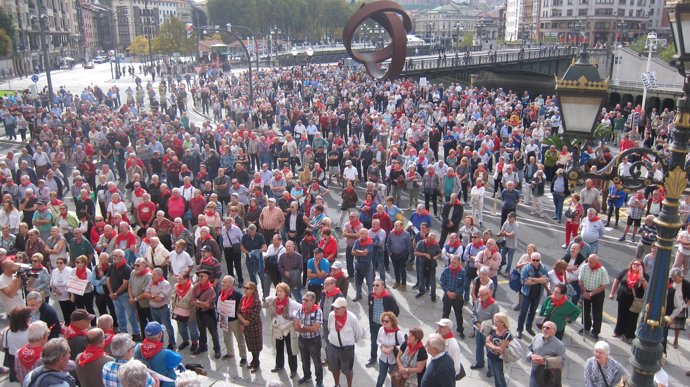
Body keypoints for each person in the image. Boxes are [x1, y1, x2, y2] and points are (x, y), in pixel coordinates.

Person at [327, 297, 365, 387]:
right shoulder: (331, 315)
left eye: (337, 308)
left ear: (344, 308)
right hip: (333, 347)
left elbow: (358, 333)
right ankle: (337, 384)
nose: (335, 309)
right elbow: (329, 328)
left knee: (347, 371)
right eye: (334, 307)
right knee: (334, 369)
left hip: (346, 349)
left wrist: (349, 342)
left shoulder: (352, 318)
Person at [265, 282, 300, 377]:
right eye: (277, 291)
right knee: (278, 348)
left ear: (286, 293)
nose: (278, 293)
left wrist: (295, 318)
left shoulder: (291, 303)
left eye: (281, 291)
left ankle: (293, 370)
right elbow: (265, 301)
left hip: (288, 329)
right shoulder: (273, 301)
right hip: (278, 328)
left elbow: (301, 309)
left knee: (290, 349)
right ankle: (279, 365)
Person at [609, 259, 649, 341]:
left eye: (638, 265)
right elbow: (617, 281)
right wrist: (612, 293)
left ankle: (629, 335)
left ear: (641, 267)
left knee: (632, 318)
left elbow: (647, 288)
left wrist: (642, 278)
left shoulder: (644, 276)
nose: (635, 265)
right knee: (621, 316)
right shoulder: (625, 271)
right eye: (634, 264)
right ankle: (618, 332)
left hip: (635, 301)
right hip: (623, 298)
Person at [134, 321, 182, 387]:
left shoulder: (138, 347)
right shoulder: (166, 353)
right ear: (160, 335)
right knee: (173, 368)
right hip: (162, 383)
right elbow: (179, 359)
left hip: (145, 381)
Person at [107, 249, 141, 340]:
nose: (113, 257)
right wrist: (111, 293)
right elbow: (108, 280)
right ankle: (123, 331)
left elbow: (125, 283)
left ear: (122, 257)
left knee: (131, 315)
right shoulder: (111, 266)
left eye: (116, 255)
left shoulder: (127, 268)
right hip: (114, 295)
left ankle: (136, 332)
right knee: (119, 315)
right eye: (113, 255)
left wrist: (116, 293)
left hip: (124, 295)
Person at [366, 279, 400, 367]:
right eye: (374, 285)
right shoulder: (371, 296)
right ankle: (373, 357)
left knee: (388, 344)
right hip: (374, 324)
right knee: (373, 342)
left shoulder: (388, 298)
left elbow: (396, 311)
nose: (374, 287)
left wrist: (390, 323)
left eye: (377, 285)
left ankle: (391, 362)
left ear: (383, 287)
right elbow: (370, 309)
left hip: (385, 327)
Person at [294, 291, 324, 387]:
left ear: (313, 301)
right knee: (304, 360)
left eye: (306, 300)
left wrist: (302, 326)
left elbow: (315, 329)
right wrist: (306, 328)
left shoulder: (318, 311)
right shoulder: (300, 310)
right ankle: (307, 376)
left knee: (316, 361)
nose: (304, 302)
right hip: (302, 339)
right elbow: (295, 326)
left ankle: (319, 380)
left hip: (314, 341)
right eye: (303, 299)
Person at [516, 252, 548, 339]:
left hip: (537, 294)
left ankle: (528, 327)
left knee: (532, 312)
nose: (535, 262)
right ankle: (519, 330)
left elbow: (545, 280)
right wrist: (540, 280)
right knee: (523, 312)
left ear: (539, 260)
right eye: (533, 260)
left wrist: (533, 279)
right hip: (527, 293)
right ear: (531, 260)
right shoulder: (526, 268)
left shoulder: (544, 268)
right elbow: (526, 282)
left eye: (537, 260)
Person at [578, 254, 610, 340]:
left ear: (596, 262)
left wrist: (591, 294)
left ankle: (595, 331)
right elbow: (580, 281)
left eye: (591, 262)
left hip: (597, 293)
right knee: (585, 310)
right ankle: (586, 327)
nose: (589, 263)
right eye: (588, 260)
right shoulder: (584, 267)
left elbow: (603, 286)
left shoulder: (602, 270)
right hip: (586, 290)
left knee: (597, 312)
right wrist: (584, 292)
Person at [191, 268, 221, 358]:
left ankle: (217, 349)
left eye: (202, 276)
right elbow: (192, 301)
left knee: (213, 332)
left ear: (207, 277)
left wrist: (198, 302)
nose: (199, 278)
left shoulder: (211, 290)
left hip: (209, 313)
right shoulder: (196, 287)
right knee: (201, 331)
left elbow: (208, 305)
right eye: (199, 276)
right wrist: (201, 304)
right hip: (199, 312)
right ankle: (203, 346)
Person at [143, 267, 175, 349]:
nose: (151, 276)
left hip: (163, 309)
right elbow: (145, 294)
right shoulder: (151, 281)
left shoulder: (166, 284)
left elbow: (160, 299)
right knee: (157, 327)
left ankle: (172, 342)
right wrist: (153, 296)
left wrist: (150, 296)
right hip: (153, 308)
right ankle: (160, 343)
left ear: (160, 275)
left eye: (153, 275)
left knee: (167, 326)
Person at [527, 321, 566, 387]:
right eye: (543, 327)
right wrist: (531, 355)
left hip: (548, 374)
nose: (544, 329)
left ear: (554, 331)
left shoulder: (559, 345)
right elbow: (530, 349)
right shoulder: (537, 337)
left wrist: (545, 361)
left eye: (547, 328)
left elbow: (562, 362)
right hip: (535, 370)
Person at [218, 275, 247, 364]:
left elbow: (242, 309)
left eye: (225, 282)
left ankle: (243, 357)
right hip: (224, 319)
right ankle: (230, 353)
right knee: (226, 338)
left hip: (235, 321)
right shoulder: (221, 292)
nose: (222, 283)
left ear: (231, 284)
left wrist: (242, 322)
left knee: (239, 339)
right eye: (223, 281)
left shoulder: (238, 295)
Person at [470, 285, 499, 370]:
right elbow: (474, 313)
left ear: (488, 294)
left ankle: (491, 368)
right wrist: (477, 323)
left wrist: (489, 331)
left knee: (489, 350)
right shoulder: (478, 301)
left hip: (489, 333)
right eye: (480, 294)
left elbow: (495, 321)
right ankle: (479, 362)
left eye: (483, 295)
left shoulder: (494, 305)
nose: (480, 296)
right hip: (479, 330)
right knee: (478, 347)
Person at [171, 271, 200, 352]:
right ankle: (185, 341)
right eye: (178, 278)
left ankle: (195, 342)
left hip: (189, 312)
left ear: (186, 279)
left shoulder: (192, 288)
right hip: (178, 311)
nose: (178, 280)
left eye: (180, 279)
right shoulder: (176, 286)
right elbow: (173, 297)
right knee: (181, 328)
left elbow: (195, 300)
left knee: (192, 328)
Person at [375, 311, 405, 387]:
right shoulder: (381, 329)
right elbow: (378, 341)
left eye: (386, 321)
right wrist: (382, 347)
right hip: (383, 358)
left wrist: (392, 348)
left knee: (393, 379)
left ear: (392, 322)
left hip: (393, 360)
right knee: (381, 377)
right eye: (383, 321)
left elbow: (404, 346)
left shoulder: (398, 333)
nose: (384, 323)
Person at [238, 281, 263, 372]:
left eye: (247, 288)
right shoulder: (243, 299)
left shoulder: (256, 301)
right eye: (244, 287)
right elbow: (238, 312)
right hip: (246, 326)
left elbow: (254, 315)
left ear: (253, 290)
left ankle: (256, 362)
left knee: (256, 345)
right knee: (250, 345)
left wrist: (245, 322)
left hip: (254, 326)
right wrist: (243, 321)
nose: (245, 289)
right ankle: (253, 360)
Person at [440, 256, 467, 338]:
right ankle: (443, 330)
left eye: (454, 263)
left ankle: (460, 330)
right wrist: (448, 292)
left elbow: (464, 285)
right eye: (451, 262)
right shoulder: (446, 270)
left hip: (457, 298)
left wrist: (455, 293)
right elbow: (442, 282)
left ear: (459, 263)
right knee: (445, 314)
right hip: (447, 296)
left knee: (458, 315)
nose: (452, 264)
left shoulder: (463, 272)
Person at [3, 306, 31, 382]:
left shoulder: (7, 330)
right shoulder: (31, 331)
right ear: (24, 319)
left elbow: (5, 346)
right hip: (28, 360)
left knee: (20, 379)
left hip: (13, 360)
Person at [665, 267, 690, 350]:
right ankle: (665, 337)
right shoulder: (670, 280)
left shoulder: (686, 284)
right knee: (667, 322)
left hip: (681, 305)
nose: (673, 279)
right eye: (672, 277)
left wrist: (685, 306)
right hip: (671, 304)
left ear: (680, 276)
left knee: (677, 326)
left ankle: (676, 339)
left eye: (675, 278)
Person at [485, 312, 513, 385]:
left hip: (499, 360)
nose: (494, 322)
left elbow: (501, 350)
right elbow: (486, 341)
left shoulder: (507, 334)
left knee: (500, 377)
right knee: (495, 375)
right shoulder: (494, 329)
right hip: (491, 356)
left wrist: (491, 345)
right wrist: (495, 347)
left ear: (502, 322)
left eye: (496, 321)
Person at [415, 232, 442, 302]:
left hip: (432, 265)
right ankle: (421, 292)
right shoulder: (421, 243)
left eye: (433, 240)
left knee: (432, 282)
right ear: (428, 238)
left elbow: (439, 252)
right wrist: (424, 254)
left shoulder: (436, 244)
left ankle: (433, 296)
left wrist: (437, 256)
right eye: (431, 240)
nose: (432, 242)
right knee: (421, 280)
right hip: (422, 264)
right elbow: (415, 253)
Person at [352, 228, 375, 302]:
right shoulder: (357, 241)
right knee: (357, 281)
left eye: (363, 233)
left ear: (367, 234)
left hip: (367, 265)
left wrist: (358, 251)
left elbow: (365, 253)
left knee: (369, 282)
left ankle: (371, 297)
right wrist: (361, 252)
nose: (361, 235)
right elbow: (352, 252)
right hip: (358, 264)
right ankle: (358, 295)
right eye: (360, 233)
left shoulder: (370, 242)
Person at [388, 220, 412, 290]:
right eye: (394, 225)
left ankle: (404, 284)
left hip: (402, 256)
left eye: (396, 226)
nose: (395, 227)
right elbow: (388, 244)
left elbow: (409, 246)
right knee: (395, 269)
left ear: (401, 226)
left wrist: (406, 254)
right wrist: (389, 252)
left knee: (402, 269)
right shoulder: (391, 233)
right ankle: (397, 282)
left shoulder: (406, 234)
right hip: (393, 255)